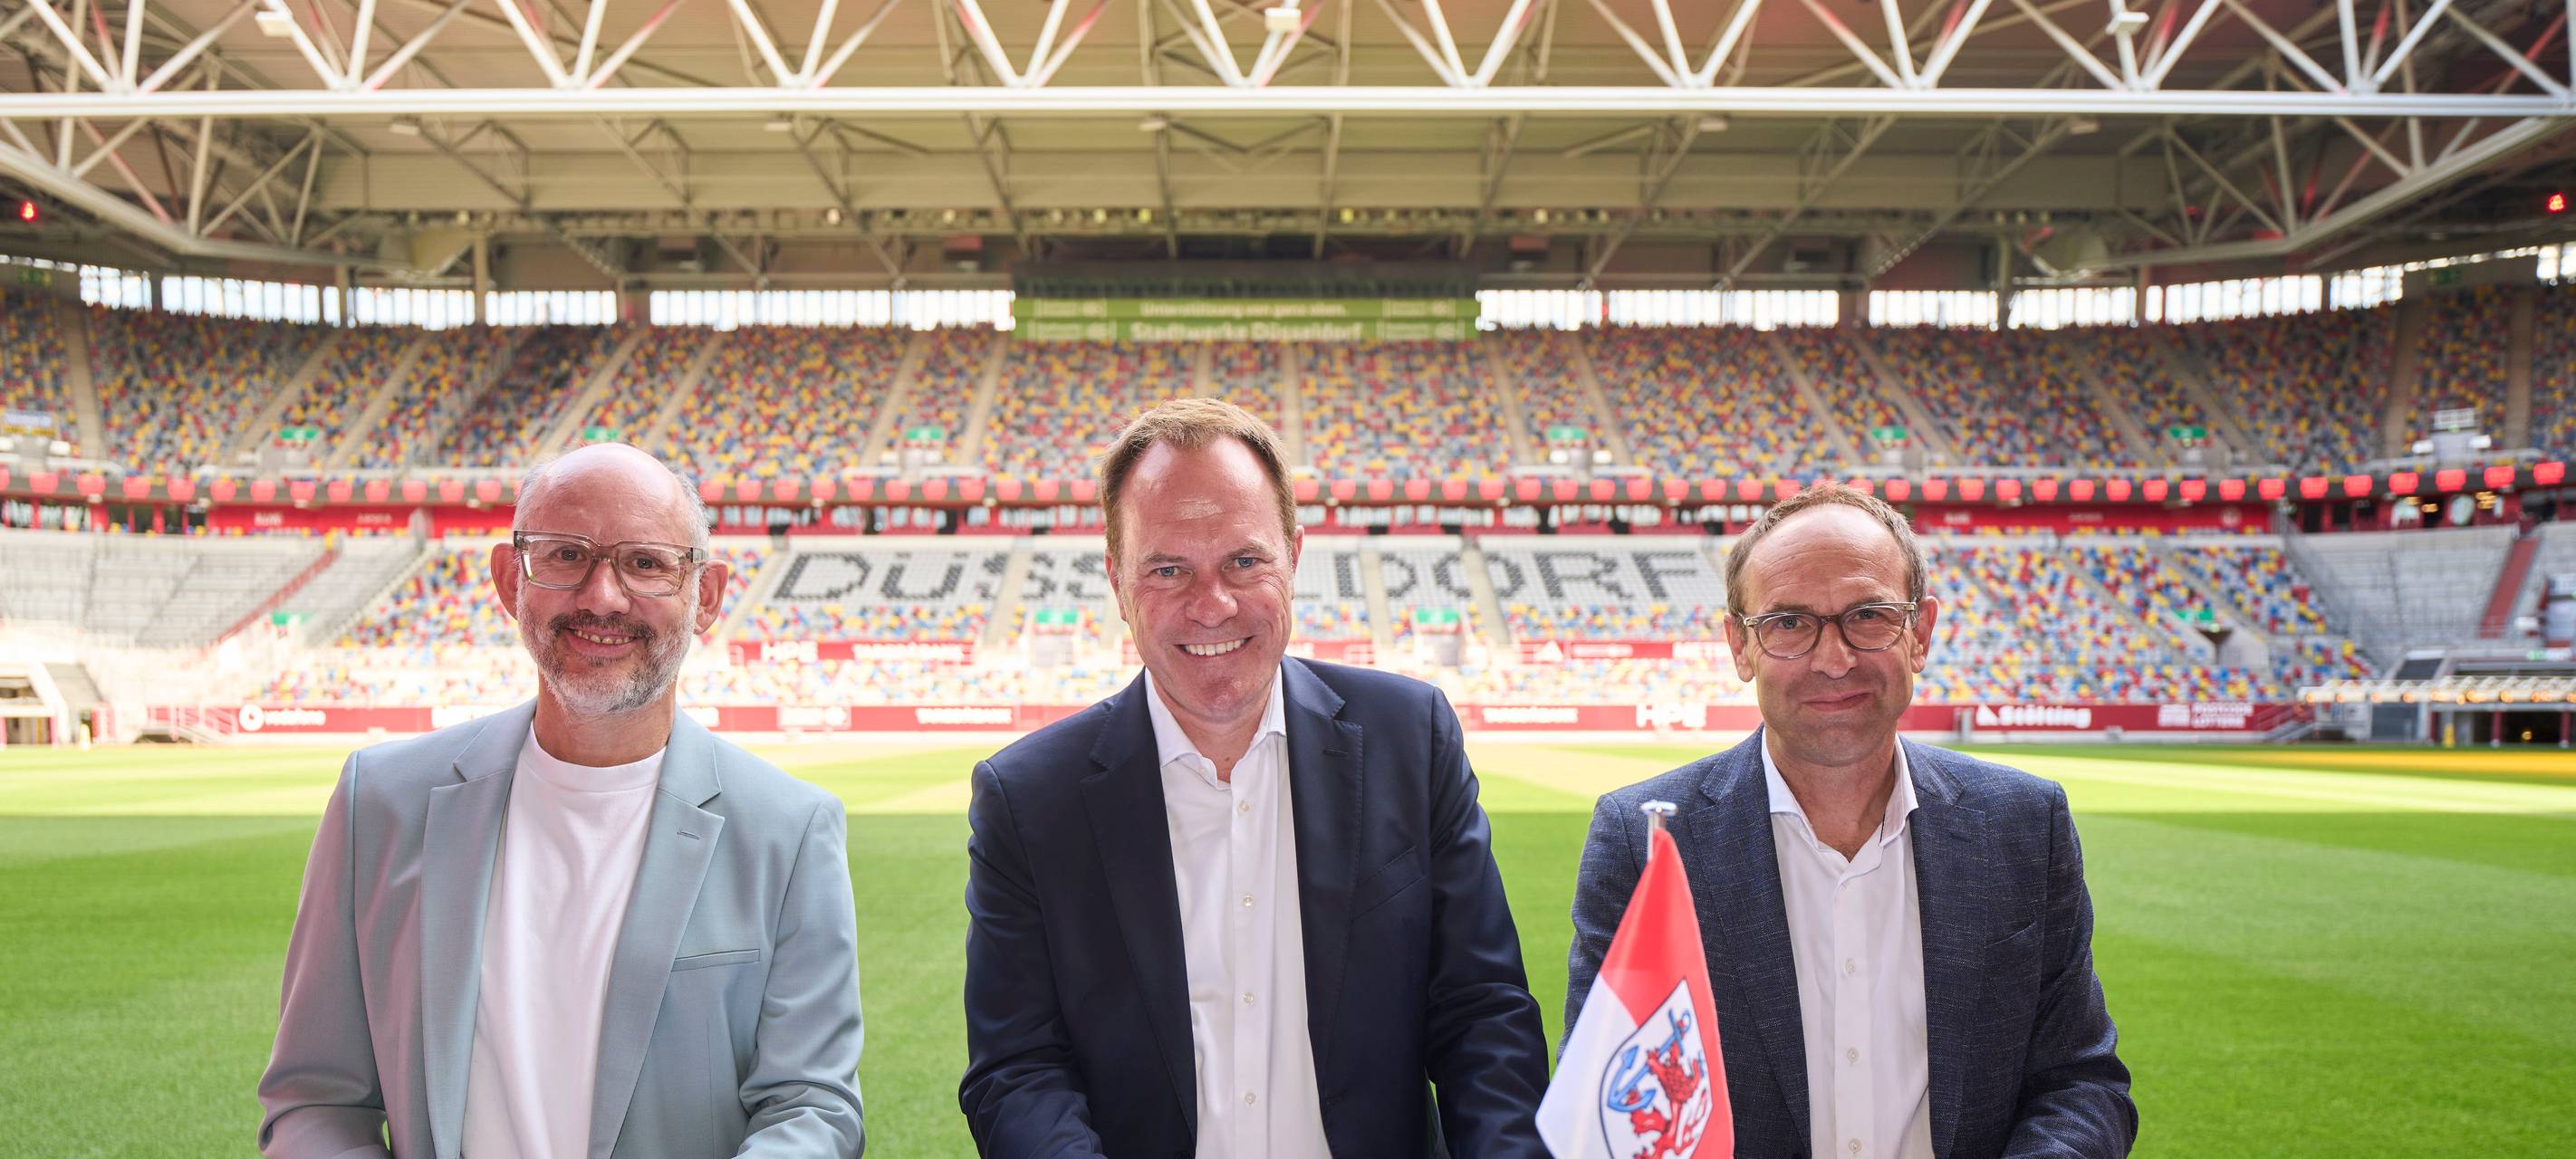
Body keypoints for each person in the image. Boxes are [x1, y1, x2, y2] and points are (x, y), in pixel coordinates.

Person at [960, 398, 1549, 1158]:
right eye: (1169, 568)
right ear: (1116, 581)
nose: (1213, 604)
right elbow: (1018, 1071)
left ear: (1294, 556)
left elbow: (1482, 1014)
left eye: (1244, 560)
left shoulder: (1411, 737)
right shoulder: (1027, 800)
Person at [257, 443, 864, 1159]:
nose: (602, 596)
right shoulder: (380, 805)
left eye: (645, 563)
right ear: (510, 578)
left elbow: (811, 1108)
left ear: (707, 596)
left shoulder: (789, 831)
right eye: (565, 555)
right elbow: (316, 1102)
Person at [1565, 484, 2135, 1159]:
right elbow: (1615, 1111)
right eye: (1788, 623)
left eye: (1868, 615)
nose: (1833, 659)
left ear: (1919, 633)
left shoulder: (2022, 826)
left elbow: (2079, 1081)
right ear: (1740, 648)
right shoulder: (1646, 840)